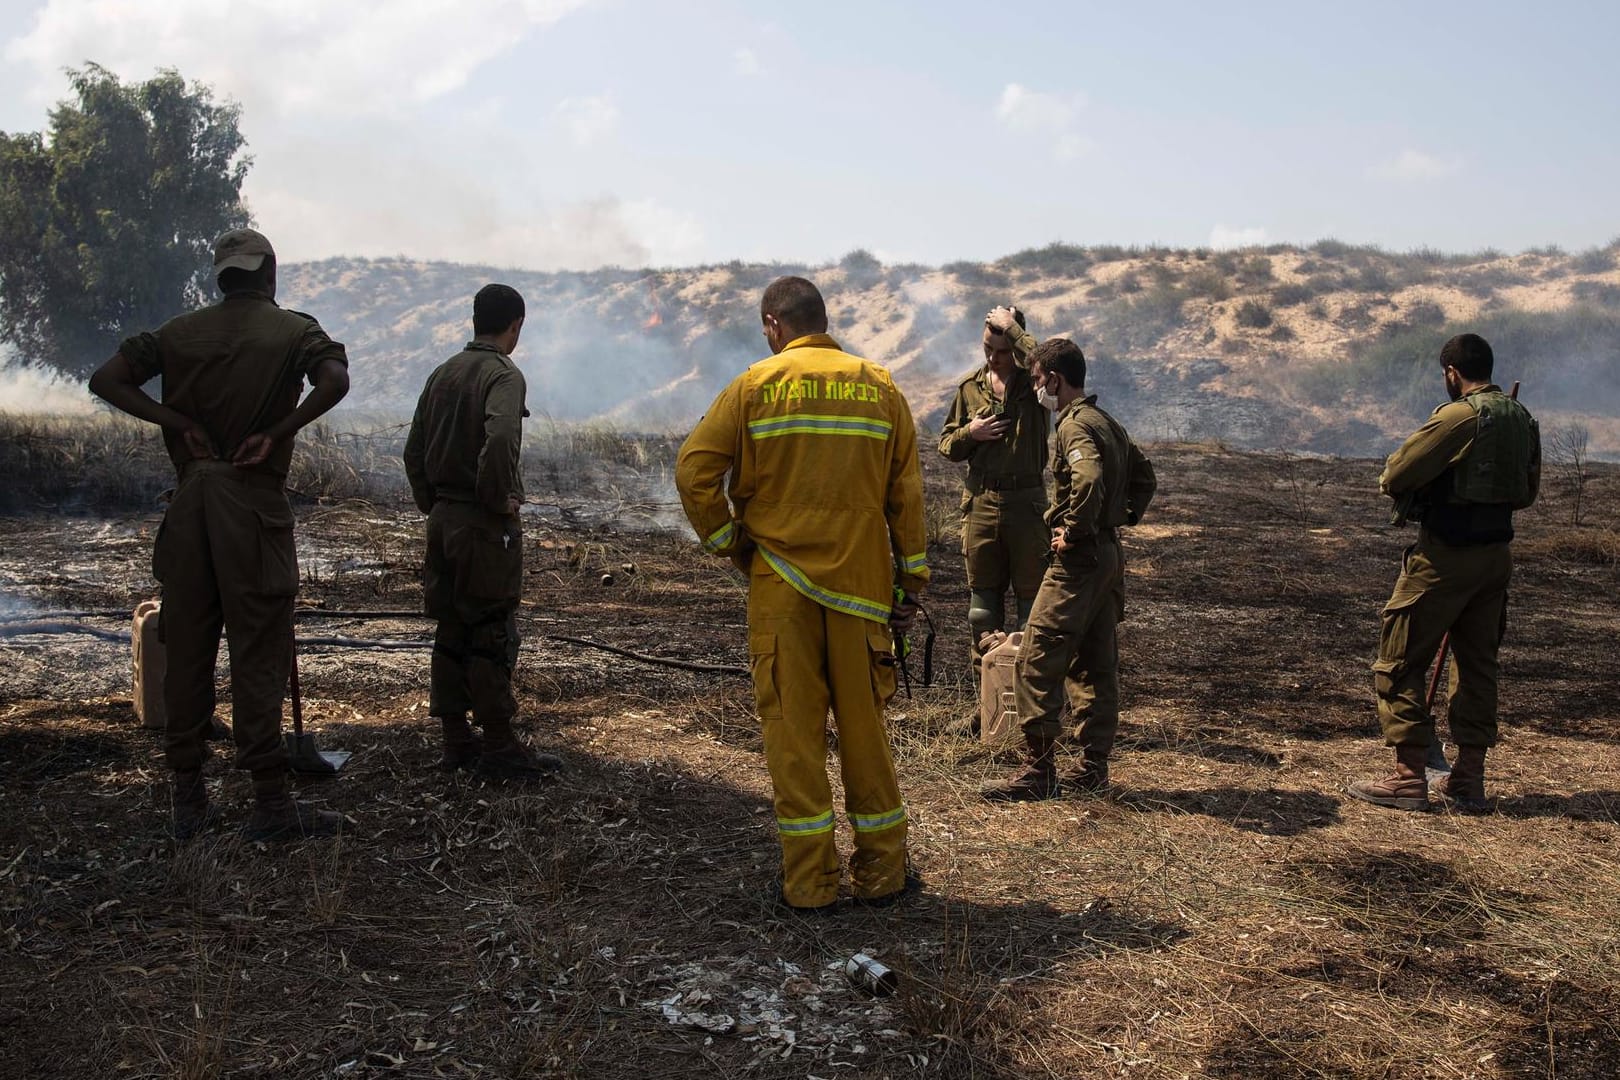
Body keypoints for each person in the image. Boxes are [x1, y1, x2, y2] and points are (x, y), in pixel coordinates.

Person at [675, 276, 929, 912]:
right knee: (865, 735)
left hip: (780, 587)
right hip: (865, 593)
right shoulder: (880, 385)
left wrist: (737, 546)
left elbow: (694, 472)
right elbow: (908, 495)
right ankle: (883, 875)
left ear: (773, 324)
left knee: (794, 738)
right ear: (823, 319)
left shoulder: (755, 385)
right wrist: (910, 581)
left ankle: (811, 885)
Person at [88, 227, 350, 841]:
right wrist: (279, 430)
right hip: (251, 503)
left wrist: (173, 418)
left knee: (188, 647)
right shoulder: (293, 330)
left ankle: (188, 799)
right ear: (269, 275)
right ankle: (271, 806)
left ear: (221, 276)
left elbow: (106, 378)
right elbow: (334, 382)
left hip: (190, 503)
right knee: (258, 648)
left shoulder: (177, 334)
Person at [1348, 333, 1539, 812]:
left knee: (1399, 659)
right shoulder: (1521, 419)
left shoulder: (1459, 416)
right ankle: (1468, 780)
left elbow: (1396, 475)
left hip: (1446, 557)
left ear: (1451, 373)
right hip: (1496, 556)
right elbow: (1527, 492)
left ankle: (1409, 778)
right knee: (1477, 667)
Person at [403, 284, 564, 783]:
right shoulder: (503, 374)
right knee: (491, 627)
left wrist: (436, 504)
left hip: (444, 519)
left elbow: (413, 451)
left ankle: (456, 740)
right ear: (515, 326)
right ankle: (497, 744)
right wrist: (495, 500)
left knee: (451, 628)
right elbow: (499, 441)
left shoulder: (442, 372)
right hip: (481, 523)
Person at [982, 337, 1156, 801]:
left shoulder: (1073, 427)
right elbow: (1145, 476)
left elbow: (1090, 478)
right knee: (1096, 664)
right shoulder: (1108, 422)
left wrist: (1076, 531)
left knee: (1036, 657)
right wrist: (1118, 518)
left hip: (1078, 563)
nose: (1037, 388)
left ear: (1055, 380)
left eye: (1038, 380)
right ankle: (1092, 768)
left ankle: (1038, 770)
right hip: (1107, 559)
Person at [937, 306, 1049, 735]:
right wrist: (972, 434)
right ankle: (985, 706)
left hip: (1026, 502)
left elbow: (1043, 360)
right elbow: (946, 443)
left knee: (1031, 606)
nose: (993, 359)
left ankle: (1030, 709)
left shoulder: (1036, 385)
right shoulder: (970, 387)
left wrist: (1015, 331)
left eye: (1002, 351)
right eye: (987, 349)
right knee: (981, 609)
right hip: (982, 499)